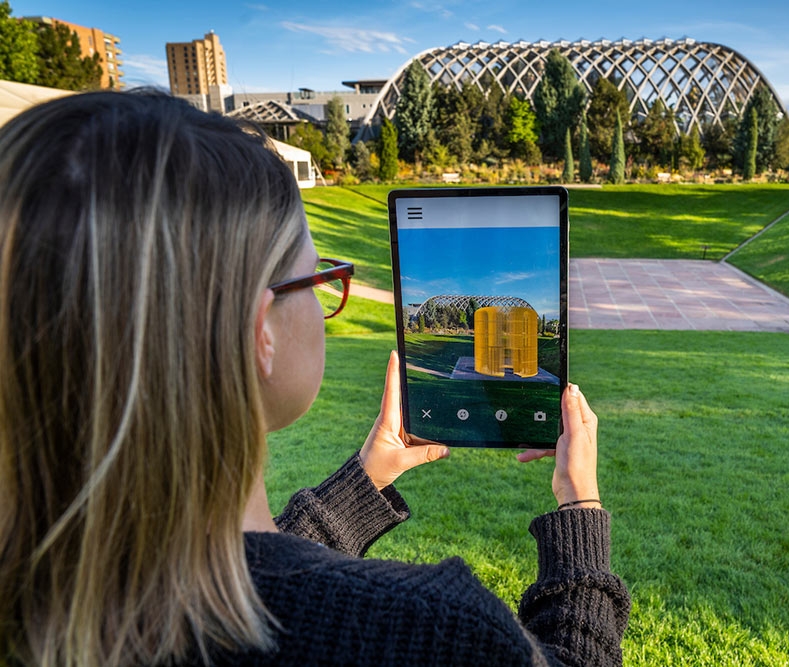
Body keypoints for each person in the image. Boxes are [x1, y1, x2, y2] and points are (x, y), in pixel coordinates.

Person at [0, 91, 630, 667]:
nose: (329, 295)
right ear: (259, 332)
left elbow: (252, 585)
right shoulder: (434, 633)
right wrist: (581, 507)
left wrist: (366, 482)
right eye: (317, 278)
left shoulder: (39, 599)